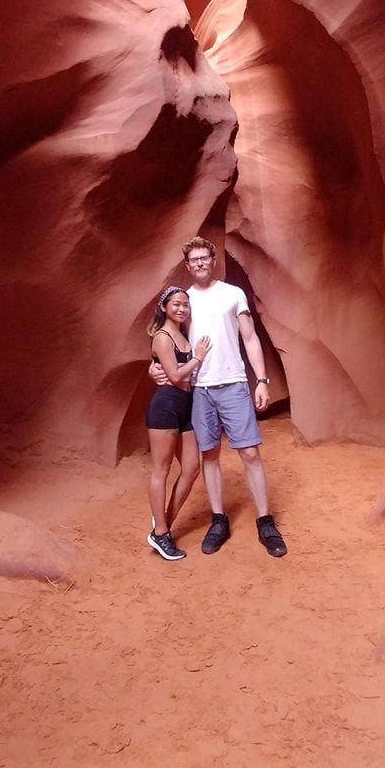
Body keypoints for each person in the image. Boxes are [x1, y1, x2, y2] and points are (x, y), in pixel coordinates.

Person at [149, 237, 288, 557]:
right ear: (187, 265)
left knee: (250, 453)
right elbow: (167, 339)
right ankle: (218, 520)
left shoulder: (232, 294)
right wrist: (152, 369)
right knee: (209, 455)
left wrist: (262, 381)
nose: (199, 263)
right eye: (193, 259)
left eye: (204, 257)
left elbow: (250, 338)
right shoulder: (184, 300)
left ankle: (265, 521)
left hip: (234, 383)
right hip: (199, 390)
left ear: (213, 261)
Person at [143, 285, 211, 561]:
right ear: (164, 307)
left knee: (192, 467)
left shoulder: (182, 334)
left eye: (185, 304)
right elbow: (172, 375)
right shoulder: (162, 337)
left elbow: (163, 370)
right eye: (176, 304)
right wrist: (198, 357)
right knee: (162, 470)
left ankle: (163, 524)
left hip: (186, 405)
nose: (182, 309)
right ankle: (161, 532)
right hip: (166, 406)